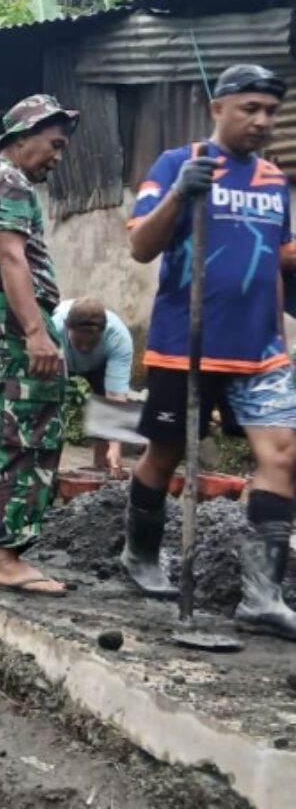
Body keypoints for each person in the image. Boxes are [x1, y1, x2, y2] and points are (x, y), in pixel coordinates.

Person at [124, 64, 296, 639]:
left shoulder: (273, 181)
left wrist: (279, 340)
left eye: (270, 111)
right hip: (187, 345)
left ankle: (262, 597)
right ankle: (140, 553)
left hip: (260, 352)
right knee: (167, 452)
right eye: (250, 108)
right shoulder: (178, 163)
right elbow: (141, 246)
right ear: (217, 108)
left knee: (284, 458)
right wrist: (180, 192)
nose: (262, 121)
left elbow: (274, 264)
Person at [0, 95, 79, 596]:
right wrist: (35, 330)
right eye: (54, 144)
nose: (58, 156)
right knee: (28, 436)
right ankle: (6, 557)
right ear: (23, 136)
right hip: (9, 323)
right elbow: (12, 257)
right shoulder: (11, 181)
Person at [53, 297, 134, 477]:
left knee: (104, 406)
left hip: (99, 365)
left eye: (91, 343)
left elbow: (116, 398)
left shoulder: (118, 338)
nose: (84, 348)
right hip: (61, 359)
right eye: (79, 341)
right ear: (68, 329)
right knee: (51, 404)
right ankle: (48, 468)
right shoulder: (54, 328)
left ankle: (103, 467)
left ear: (103, 332)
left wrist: (115, 446)